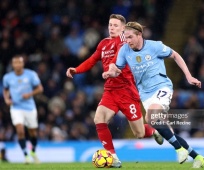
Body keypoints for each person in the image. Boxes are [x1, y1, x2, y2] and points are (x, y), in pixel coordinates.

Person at [103, 21, 204, 168]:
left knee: (151, 117)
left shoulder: (155, 46)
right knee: (167, 132)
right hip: (145, 94)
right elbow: (117, 69)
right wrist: (110, 72)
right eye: (125, 37)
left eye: (130, 37)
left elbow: (175, 55)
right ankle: (198, 157)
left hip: (161, 87)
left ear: (139, 35)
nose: (128, 41)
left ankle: (179, 149)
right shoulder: (125, 50)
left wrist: (189, 77)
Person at [66, 14, 163, 168]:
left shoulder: (125, 43)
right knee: (99, 118)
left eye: (115, 25)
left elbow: (118, 57)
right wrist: (76, 70)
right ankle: (113, 156)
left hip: (127, 91)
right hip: (110, 90)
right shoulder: (103, 44)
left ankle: (152, 131)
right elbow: (92, 60)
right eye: (110, 25)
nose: (111, 28)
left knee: (139, 133)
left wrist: (112, 69)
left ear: (123, 28)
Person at [3, 55, 43, 164]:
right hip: (16, 107)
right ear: (12, 65)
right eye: (15, 63)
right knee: (20, 130)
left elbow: (40, 88)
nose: (17, 65)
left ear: (23, 64)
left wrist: (30, 94)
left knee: (33, 132)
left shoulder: (31, 75)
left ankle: (33, 152)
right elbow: (5, 90)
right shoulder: (7, 77)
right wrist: (6, 99)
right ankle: (26, 156)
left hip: (30, 107)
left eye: (19, 62)